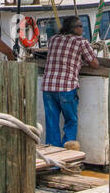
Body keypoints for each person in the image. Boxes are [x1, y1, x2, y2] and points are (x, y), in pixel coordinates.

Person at [40, 16, 98, 149]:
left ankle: (54, 155)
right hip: (67, 87)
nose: (82, 29)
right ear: (74, 28)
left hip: (48, 86)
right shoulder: (81, 42)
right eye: (80, 26)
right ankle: (68, 152)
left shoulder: (53, 39)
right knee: (71, 121)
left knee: (52, 122)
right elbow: (94, 64)